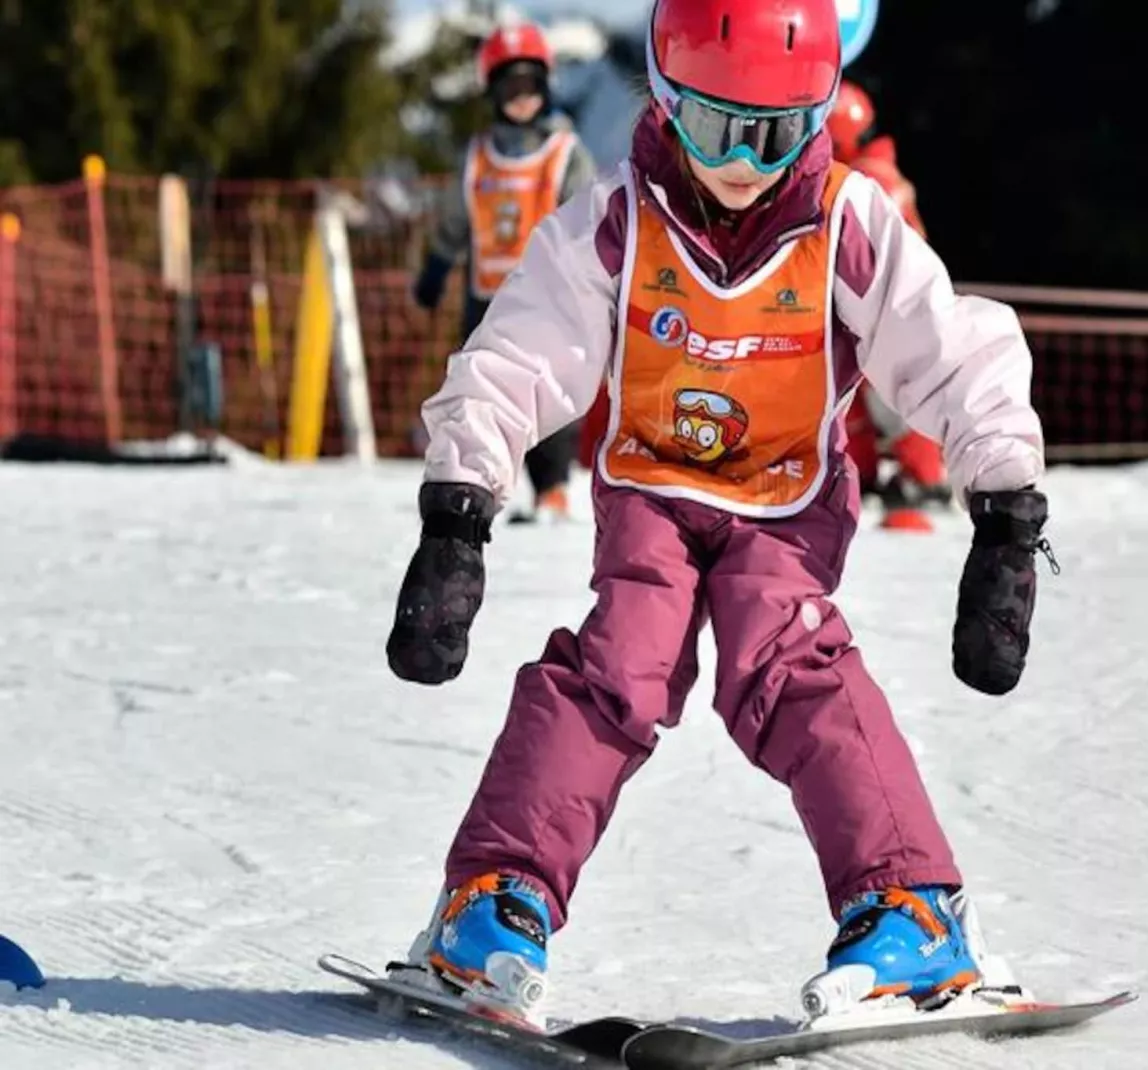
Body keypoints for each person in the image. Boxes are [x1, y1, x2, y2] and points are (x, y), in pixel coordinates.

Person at [384, 0, 1052, 1026]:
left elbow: (952, 352)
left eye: (775, 136)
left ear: (818, 116)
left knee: (788, 666)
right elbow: (517, 354)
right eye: (713, 127)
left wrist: (1004, 511)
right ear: (664, 97)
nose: (742, 163)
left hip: (783, 504)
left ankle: (911, 909)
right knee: (617, 669)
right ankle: (493, 898)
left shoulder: (847, 223)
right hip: (651, 495)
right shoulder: (617, 222)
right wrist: (458, 513)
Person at [411, 21, 597, 522]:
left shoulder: (565, 154)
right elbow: (456, 219)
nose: (521, 98)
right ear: (492, 91)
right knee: (480, 394)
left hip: (548, 301)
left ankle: (552, 488)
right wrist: (436, 267)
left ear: (546, 86)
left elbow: (587, 220)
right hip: (485, 298)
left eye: (530, 85)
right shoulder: (477, 157)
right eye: (510, 87)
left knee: (544, 395)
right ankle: (478, 486)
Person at [828, 80, 950, 508]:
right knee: (854, 396)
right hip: (883, 302)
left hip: (886, 304)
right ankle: (859, 473)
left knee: (893, 396)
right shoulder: (878, 170)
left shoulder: (865, 178)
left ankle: (924, 477)